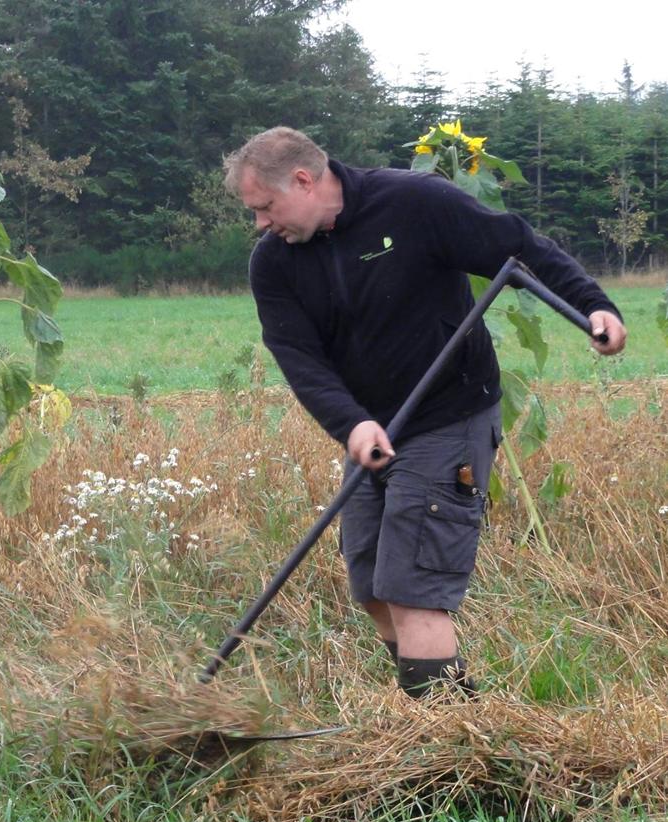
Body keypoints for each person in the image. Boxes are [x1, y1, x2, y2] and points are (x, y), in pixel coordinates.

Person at [222, 126, 627, 699]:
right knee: (370, 582)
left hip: (448, 412)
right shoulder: (275, 263)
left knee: (412, 588)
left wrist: (594, 304)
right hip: (373, 427)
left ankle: (445, 753)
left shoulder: (413, 203)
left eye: (264, 208)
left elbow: (518, 246)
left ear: (305, 181)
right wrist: (352, 423)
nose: (262, 224)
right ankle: (443, 708)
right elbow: (298, 357)